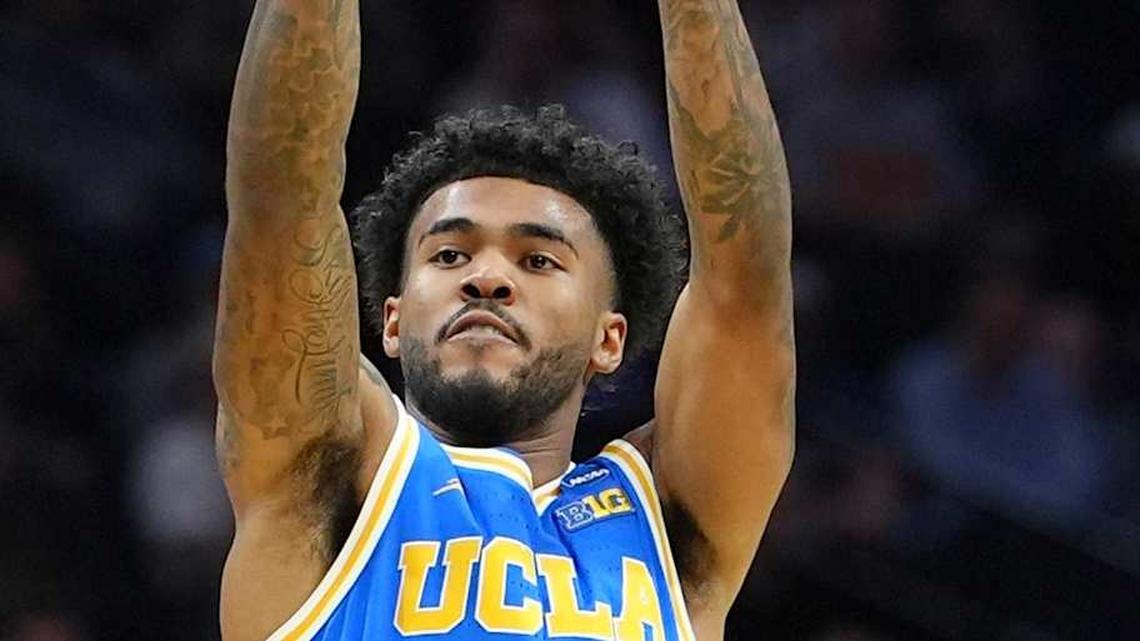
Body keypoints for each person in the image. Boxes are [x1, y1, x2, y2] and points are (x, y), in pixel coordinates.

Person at [212, 1, 795, 640]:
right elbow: (281, 201)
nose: (486, 278)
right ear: (393, 320)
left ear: (609, 339)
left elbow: (745, 279)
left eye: (538, 259)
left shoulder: (666, 518)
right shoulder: (330, 477)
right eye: (450, 254)